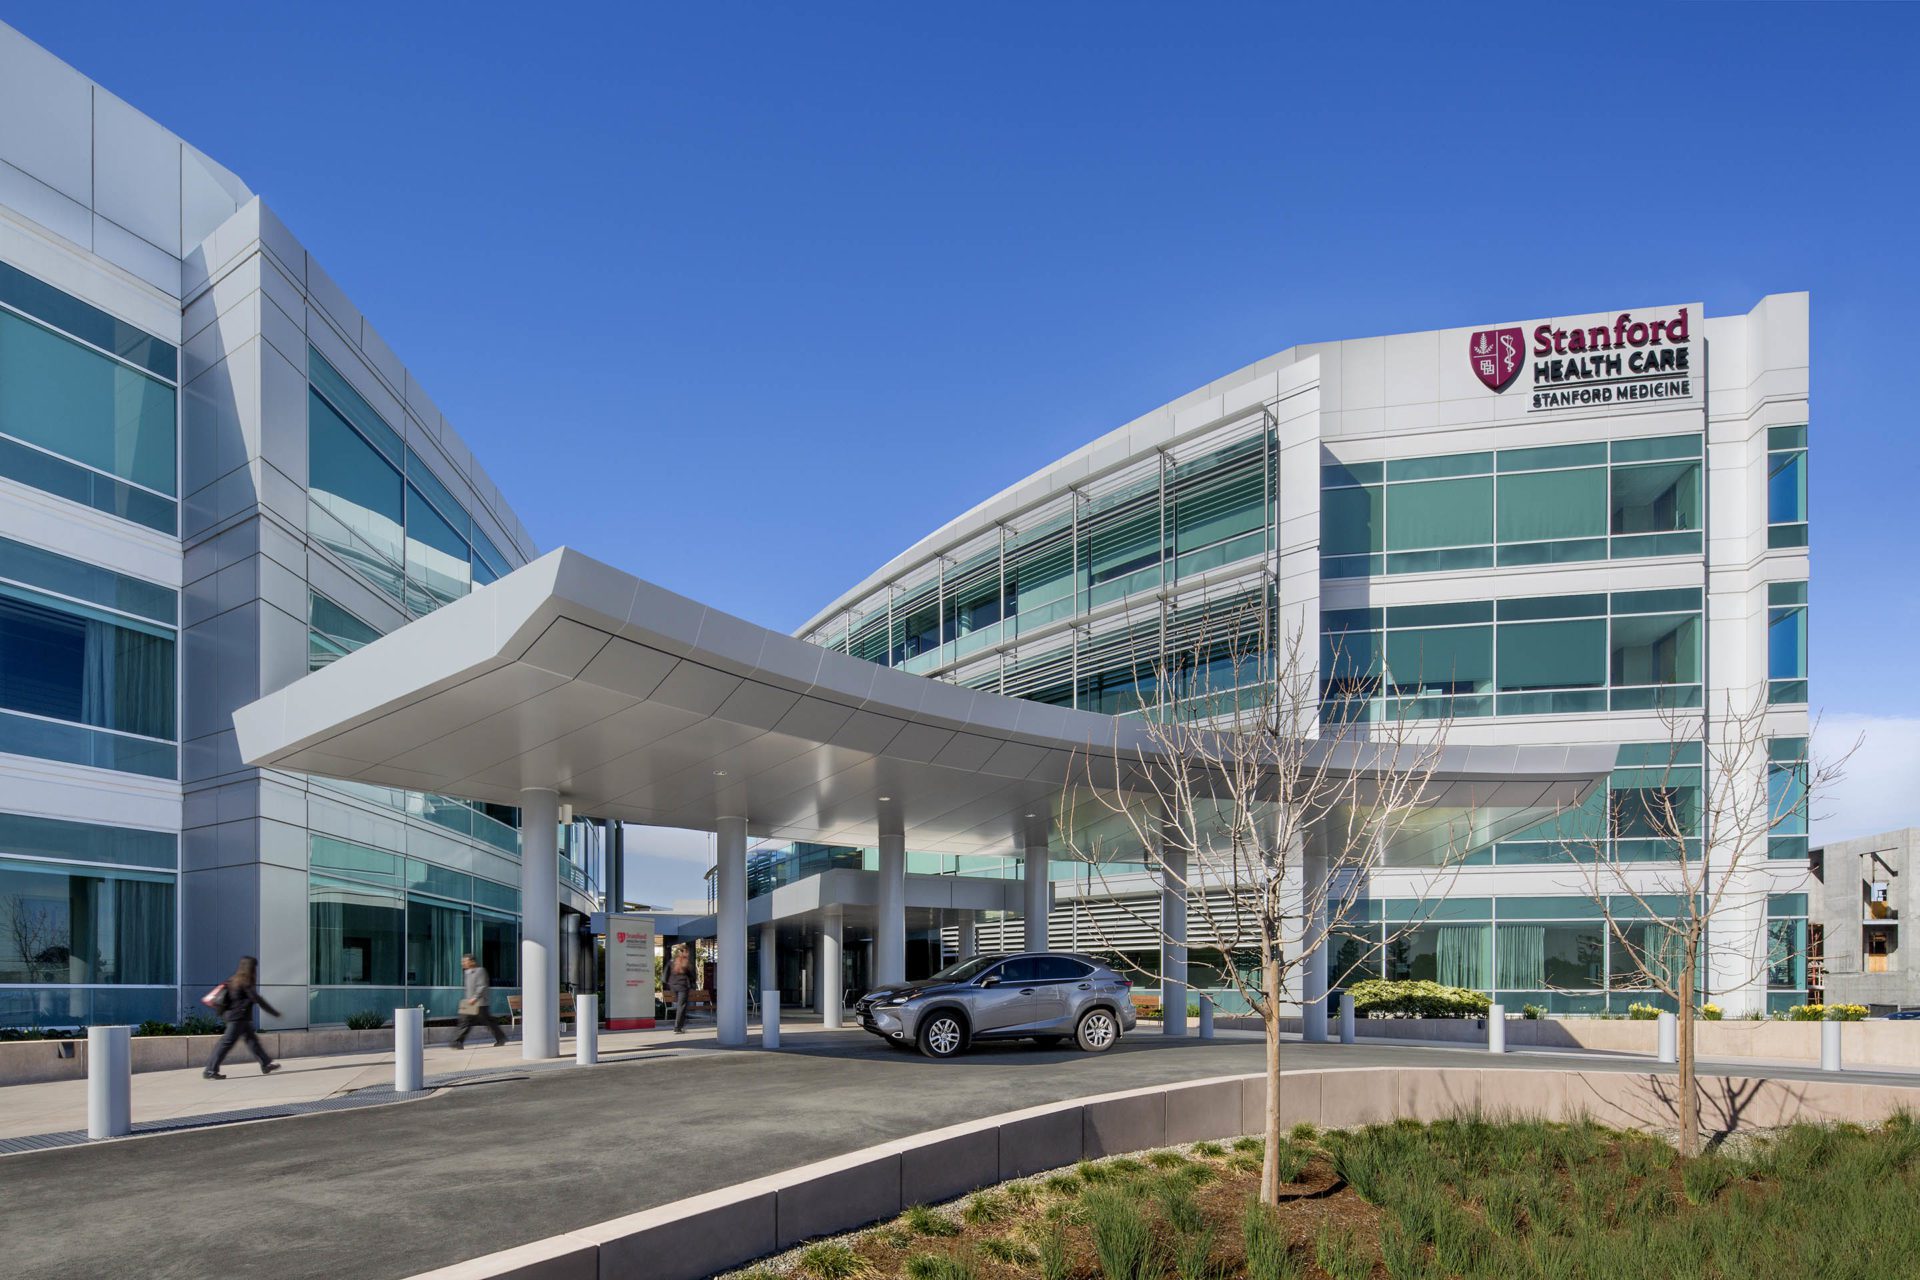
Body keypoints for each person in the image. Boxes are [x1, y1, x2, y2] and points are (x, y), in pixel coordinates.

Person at [203, 955, 280, 1079]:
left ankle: (266, 1063)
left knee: (252, 1041)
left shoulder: (234, 980)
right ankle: (210, 1070)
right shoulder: (245, 982)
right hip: (237, 1018)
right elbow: (257, 999)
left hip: (239, 1018)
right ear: (251, 968)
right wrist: (274, 1012)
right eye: (254, 967)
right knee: (226, 1043)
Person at [452, 953, 507, 1049]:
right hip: (469, 1003)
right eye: (462, 961)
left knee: (487, 1022)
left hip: (480, 1003)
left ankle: (501, 1038)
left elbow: (482, 986)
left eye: (465, 961)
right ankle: (458, 1042)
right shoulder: (467, 972)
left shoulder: (480, 971)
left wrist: (475, 997)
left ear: (472, 962)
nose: (463, 963)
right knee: (464, 1022)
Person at [667, 943, 694, 1033]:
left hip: (674, 985)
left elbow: (668, 972)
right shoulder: (685, 962)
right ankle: (677, 1027)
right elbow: (691, 975)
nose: (688, 953)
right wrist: (692, 981)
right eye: (687, 951)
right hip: (682, 986)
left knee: (680, 1006)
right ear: (685, 951)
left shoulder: (673, 961)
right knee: (681, 1006)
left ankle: (679, 1026)